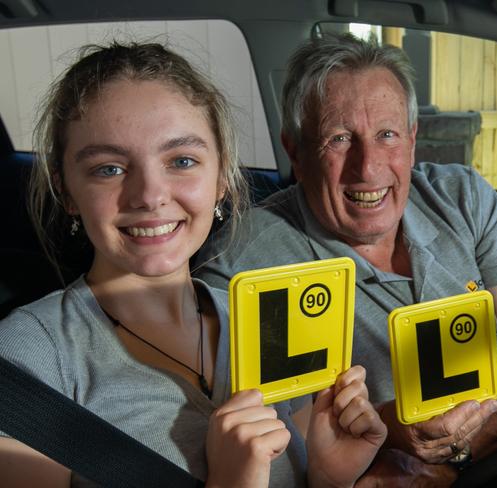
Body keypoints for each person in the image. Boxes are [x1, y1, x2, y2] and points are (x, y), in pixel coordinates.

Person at [196, 32, 497, 487]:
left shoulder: (459, 195)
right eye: (338, 138)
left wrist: (448, 461)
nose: (368, 167)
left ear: (412, 140)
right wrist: (396, 432)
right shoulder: (246, 265)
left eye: (387, 134)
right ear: (295, 150)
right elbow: (272, 442)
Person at [0, 41, 387, 488]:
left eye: (182, 161)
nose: (149, 195)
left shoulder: (265, 320)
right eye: (108, 168)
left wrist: (326, 473)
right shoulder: (27, 360)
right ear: (65, 190)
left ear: (222, 177)